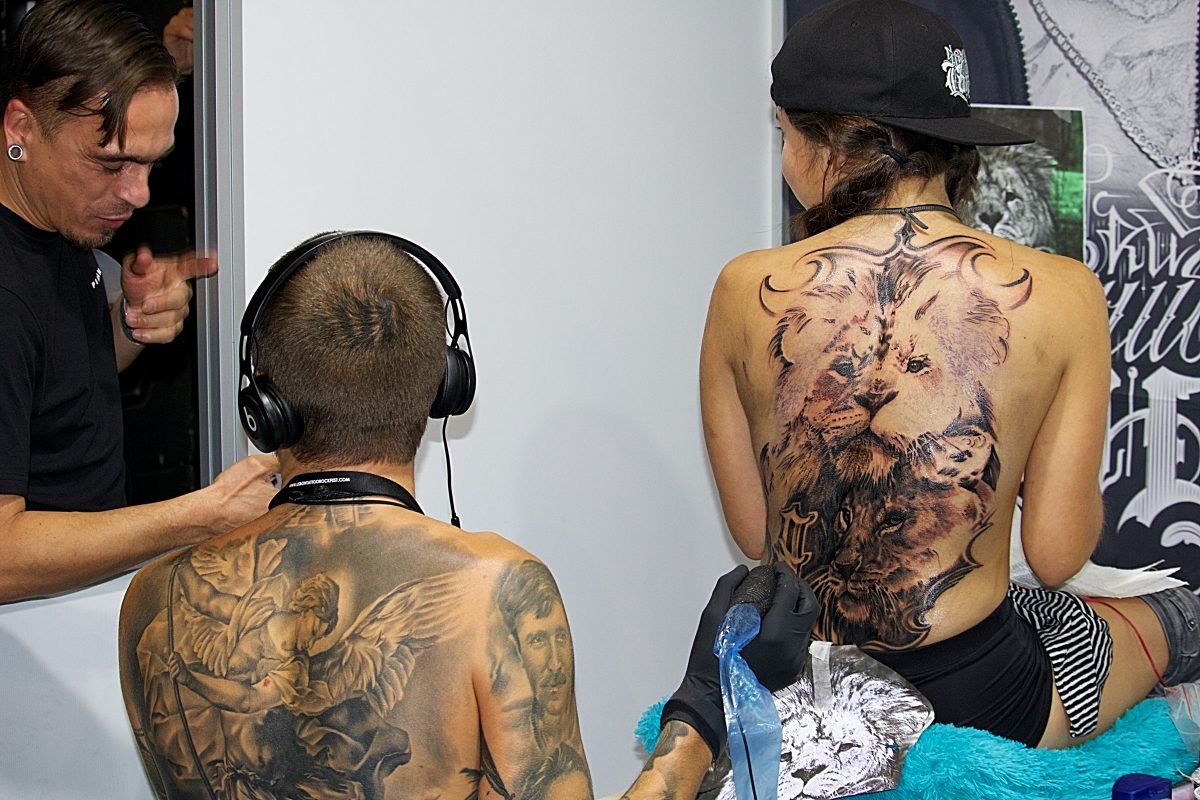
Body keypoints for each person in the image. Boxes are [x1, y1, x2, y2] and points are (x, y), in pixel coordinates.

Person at [118, 230, 819, 799]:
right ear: (443, 387)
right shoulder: (492, 589)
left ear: (265, 403)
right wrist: (703, 705)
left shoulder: (153, 600)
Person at [699, 0, 1199, 750]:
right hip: (985, 699)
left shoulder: (744, 287)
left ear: (823, 145)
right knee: (1170, 615)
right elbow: (1059, 555)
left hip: (809, 694)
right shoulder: (1064, 291)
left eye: (784, 134)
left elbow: (754, 533)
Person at [0, 0, 277, 603]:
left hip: (75, 608)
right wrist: (197, 516)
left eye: (151, 164)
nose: (138, 194)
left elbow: (51, 387)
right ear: (20, 128)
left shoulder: (58, 219)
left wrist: (127, 325)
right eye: (112, 163)